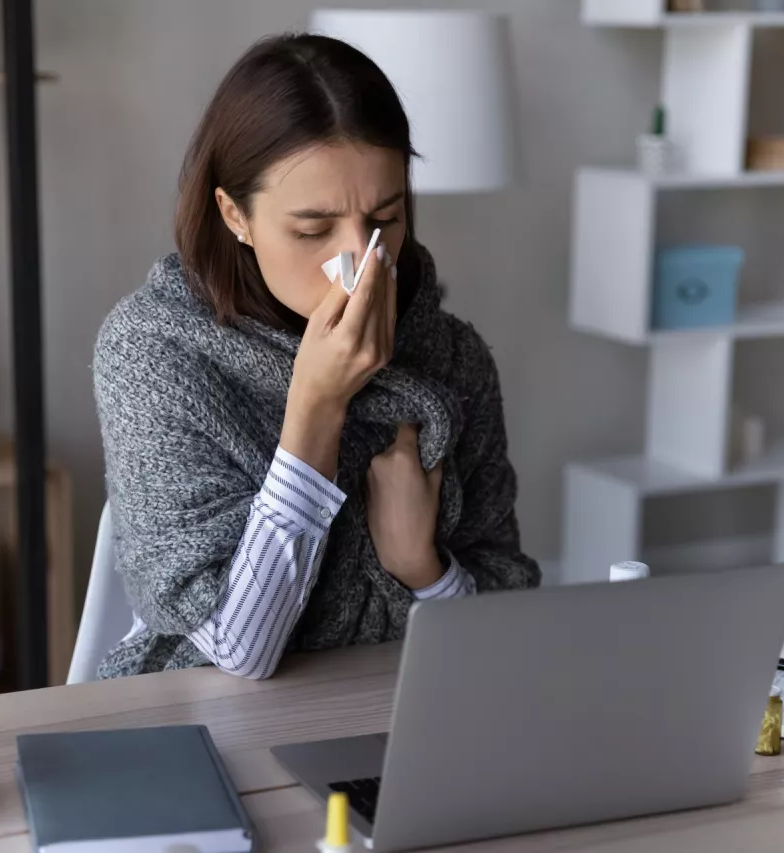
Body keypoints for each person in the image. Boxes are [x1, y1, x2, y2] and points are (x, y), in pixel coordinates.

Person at [94, 33, 539, 680]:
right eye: (312, 229)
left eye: (384, 217)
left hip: (402, 715)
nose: (359, 260)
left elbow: (507, 630)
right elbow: (239, 652)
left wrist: (423, 567)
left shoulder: (452, 357)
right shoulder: (157, 356)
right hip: (206, 720)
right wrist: (317, 406)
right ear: (234, 215)